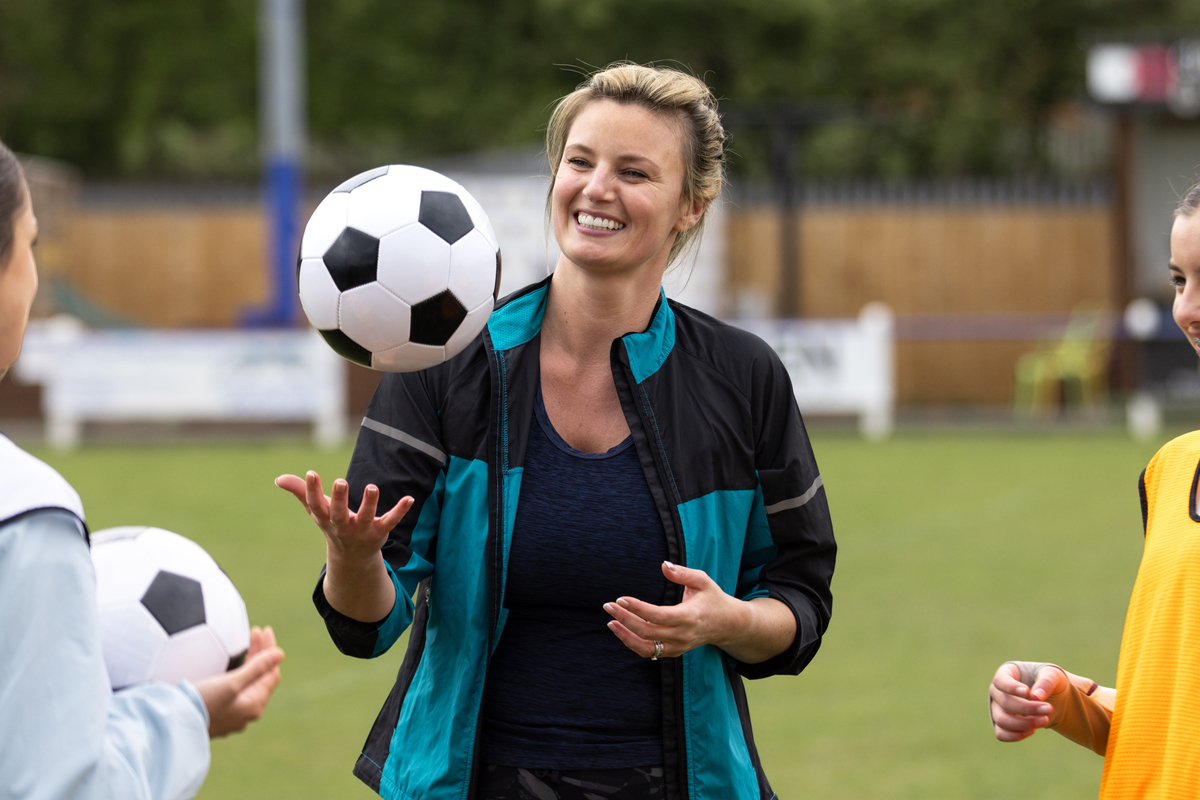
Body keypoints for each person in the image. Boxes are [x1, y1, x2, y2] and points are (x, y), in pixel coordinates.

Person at [277, 62, 836, 800]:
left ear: (690, 206)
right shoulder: (445, 364)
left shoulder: (742, 377)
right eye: (580, 161)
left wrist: (728, 620)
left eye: (634, 171)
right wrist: (351, 558)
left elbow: (800, 602)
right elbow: (365, 628)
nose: (597, 188)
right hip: (473, 781)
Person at [0, 139, 285, 800]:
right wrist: (184, 717)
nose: (35, 275)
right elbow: (62, 787)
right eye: (30, 245)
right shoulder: (22, 509)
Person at [988, 180, 1200, 798]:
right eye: (1180, 281)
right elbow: (1166, 723)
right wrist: (1063, 696)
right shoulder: (1169, 470)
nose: (1186, 310)